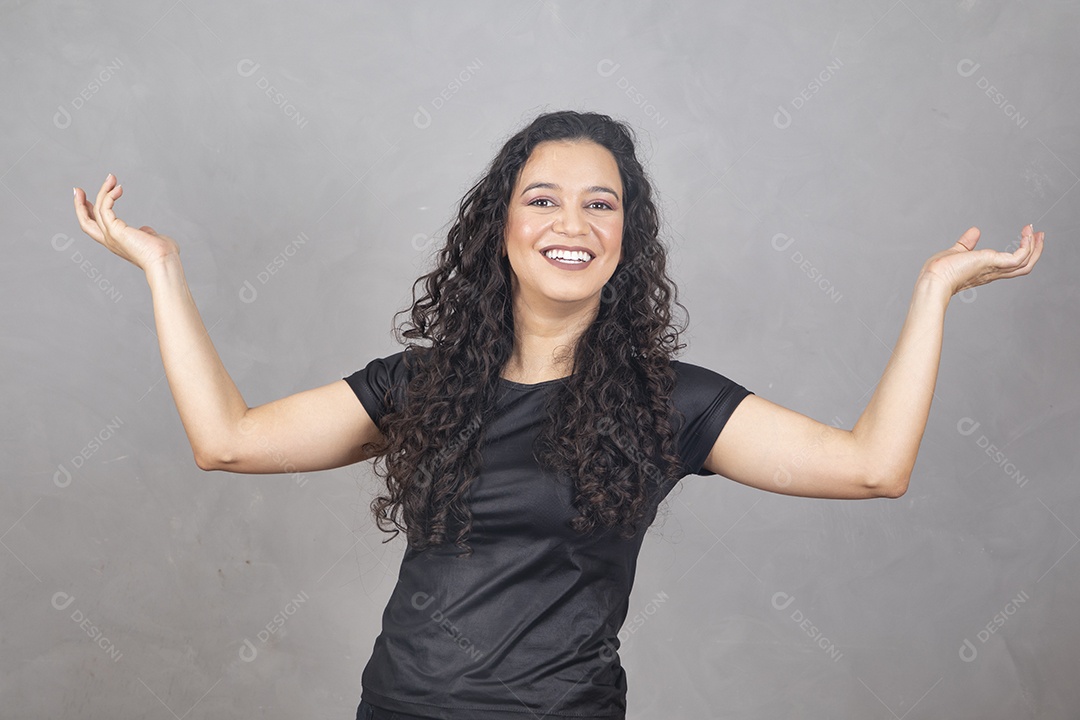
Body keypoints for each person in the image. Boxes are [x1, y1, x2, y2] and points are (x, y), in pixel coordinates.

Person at [73, 110, 1043, 720]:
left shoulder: (668, 402)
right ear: (502, 229)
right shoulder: (423, 386)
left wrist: (932, 292)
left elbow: (875, 465)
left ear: (628, 235)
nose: (571, 225)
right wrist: (161, 270)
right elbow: (228, 441)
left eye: (600, 205)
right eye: (542, 200)